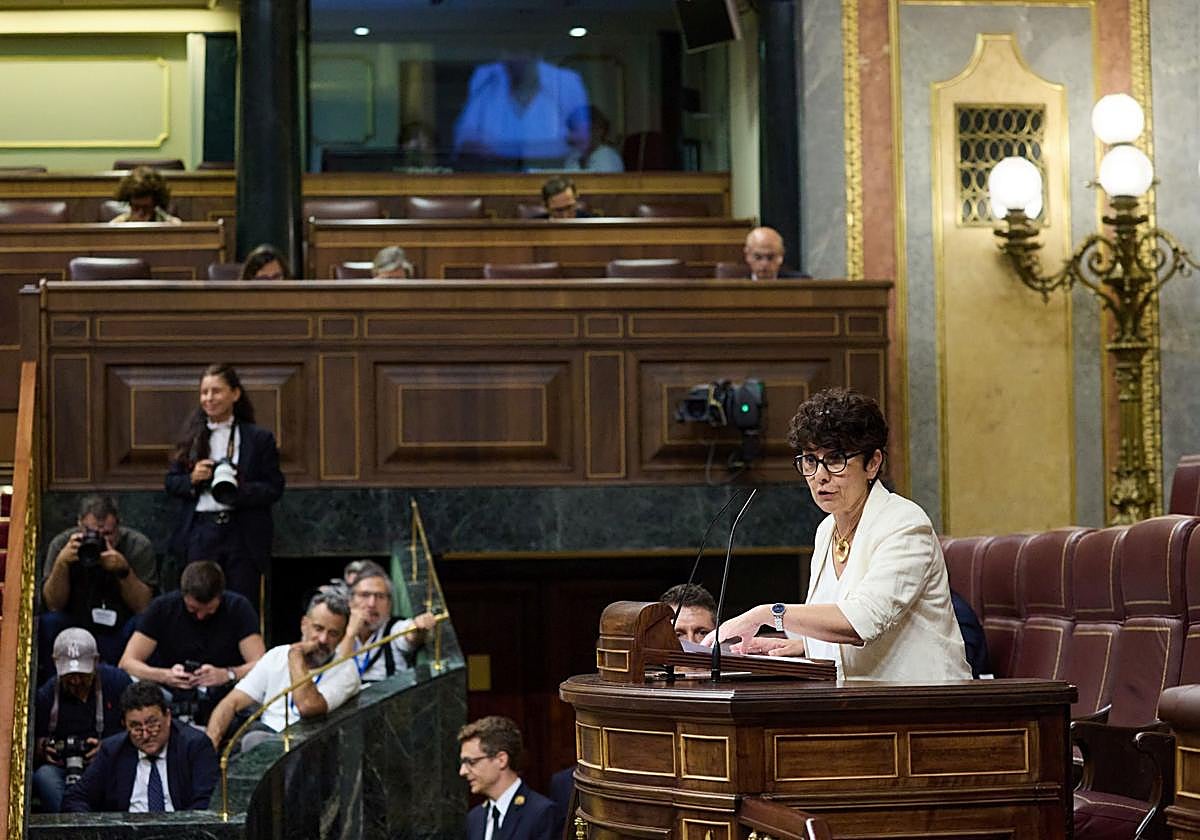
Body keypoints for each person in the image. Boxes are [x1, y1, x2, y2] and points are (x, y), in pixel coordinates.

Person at [702, 387, 971, 681]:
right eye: (809, 460)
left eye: (835, 459)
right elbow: (840, 625)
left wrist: (766, 614)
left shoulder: (904, 523)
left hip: (925, 705)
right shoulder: (827, 528)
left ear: (873, 463)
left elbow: (860, 623)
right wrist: (802, 646)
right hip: (854, 703)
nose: (820, 475)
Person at [165, 363, 285, 604]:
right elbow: (171, 483)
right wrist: (193, 479)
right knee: (200, 599)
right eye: (204, 392)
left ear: (235, 394)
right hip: (201, 531)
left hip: (242, 532)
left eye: (216, 391)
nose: (209, 398)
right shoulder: (191, 437)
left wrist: (239, 489)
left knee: (241, 601)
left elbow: (274, 487)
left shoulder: (258, 438)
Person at [204, 584, 360, 750]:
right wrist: (208, 745)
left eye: (333, 634)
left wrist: (296, 654)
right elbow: (231, 703)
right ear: (304, 624)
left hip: (309, 746)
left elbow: (307, 706)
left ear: (342, 637)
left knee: (254, 741)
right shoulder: (277, 656)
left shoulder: (346, 669)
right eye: (318, 628)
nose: (322, 639)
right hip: (266, 734)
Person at [119, 561, 265, 724]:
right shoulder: (163, 608)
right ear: (184, 595)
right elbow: (127, 662)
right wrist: (165, 675)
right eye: (193, 610)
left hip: (226, 694)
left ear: (219, 596)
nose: (200, 617)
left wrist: (228, 674)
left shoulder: (238, 608)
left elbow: (261, 664)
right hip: (171, 694)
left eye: (209, 611)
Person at [39, 495, 157, 683]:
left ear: (119, 526)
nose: (99, 540)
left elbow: (143, 607)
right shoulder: (62, 544)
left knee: (145, 623)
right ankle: (54, 688)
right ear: (79, 524)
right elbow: (53, 604)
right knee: (49, 622)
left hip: (120, 627)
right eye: (90, 532)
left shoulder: (137, 545)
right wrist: (61, 565)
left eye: (107, 533)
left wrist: (124, 572)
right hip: (75, 625)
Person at [61, 681, 218, 813]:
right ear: (125, 725)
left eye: (152, 724)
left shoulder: (195, 746)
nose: (145, 735)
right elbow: (75, 799)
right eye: (136, 727)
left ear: (168, 717)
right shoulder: (113, 750)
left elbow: (206, 805)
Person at [33, 628, 132, 812]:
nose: (76, 681)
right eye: (69, 675)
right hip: (64, 769)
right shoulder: (47, 695)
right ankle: (69, 827)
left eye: (82, 674)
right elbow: (32, 741)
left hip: (109, 763)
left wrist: (108, 747)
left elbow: (136, 729)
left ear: (96, 661)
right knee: (44, 776)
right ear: (55, 663)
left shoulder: (117, 682)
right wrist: (42, 748)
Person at [452, 54, 588, 169]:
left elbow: (583, 139)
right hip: (497, 176)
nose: (514, 57)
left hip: (556, 176)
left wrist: (501, 149)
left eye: (522, 49)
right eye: (509, 50)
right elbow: (464, 142)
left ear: (536, 51)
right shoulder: (486, 77)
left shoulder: (566, 81)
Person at [337, 561, 437, 682]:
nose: (372, 604)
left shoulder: (394, 628)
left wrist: (419, 626)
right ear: (351, 601)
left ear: (389, 604)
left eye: (380, 596)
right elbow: (335, 674)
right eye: (365, 595)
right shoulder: (338, 629)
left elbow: (410, 634)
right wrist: (351, 633)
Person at [459, 715, 557, 840]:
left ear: (501, 760)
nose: (462, 771)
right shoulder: (475, 818)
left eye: (471, 762)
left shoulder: (540, 813)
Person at [108, 166, 182, 224]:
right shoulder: (116, 225)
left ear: (155, 204)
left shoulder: (172, 226)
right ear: (130, 203)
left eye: (146, 208)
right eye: (136, 207)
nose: (140, 213)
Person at [563, 105, 624, 173]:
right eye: (574, 130)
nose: (577, 136)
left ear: (599, 130)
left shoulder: (607, 157)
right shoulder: (574, 156)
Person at [742, 226, 808, 280]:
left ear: (781, 256)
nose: (764, 263)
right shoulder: (736, 287)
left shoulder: (801, 283)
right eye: (758, 257)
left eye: (770, 257)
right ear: (747, 256)